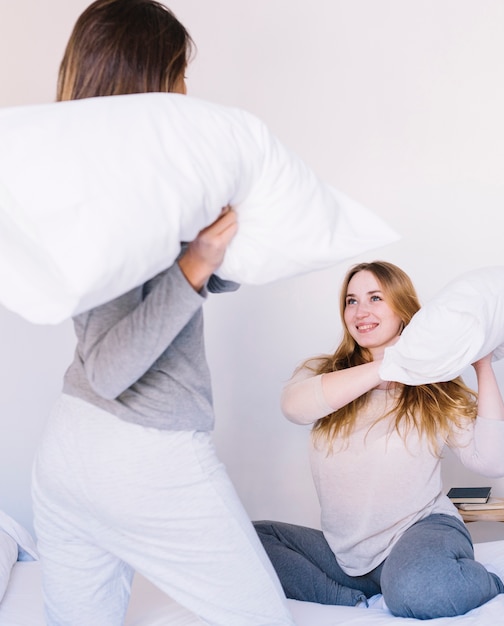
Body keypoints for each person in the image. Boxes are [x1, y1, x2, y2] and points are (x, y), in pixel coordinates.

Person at [31, 2, 294, 625]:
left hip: (70, 449)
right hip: (143, 455)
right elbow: (111, 365)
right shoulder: (112, 197)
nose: (185, 91)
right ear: (148, 78)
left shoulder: (110, 180)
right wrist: (195, 266)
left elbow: (165, 291)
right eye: (178, 74)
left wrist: (214, 257)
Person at [254, 260, 504, 620]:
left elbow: (494, 462)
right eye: (351, 301)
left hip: (420, 530)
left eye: (375, 298)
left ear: (402, 306)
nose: (361, 311)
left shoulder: (433, 388)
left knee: (421, 590)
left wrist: (483, 366)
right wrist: (389, 365)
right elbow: (293, 407)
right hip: (345, 554)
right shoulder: (324, 374)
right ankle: (351, 598)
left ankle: (485, 584)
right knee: (247, 541)